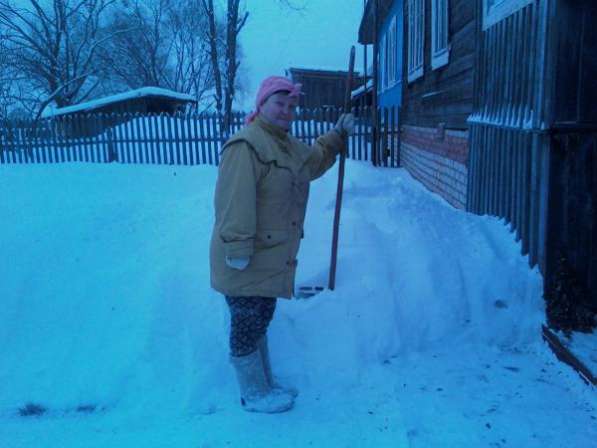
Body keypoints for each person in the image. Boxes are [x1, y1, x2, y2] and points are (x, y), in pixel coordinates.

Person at [209, 76, 354, 413]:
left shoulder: (285, 144)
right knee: (247, 322)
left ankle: (264, 384)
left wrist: (337, 136)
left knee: (260, 317)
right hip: (246, 255)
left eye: (291, 106)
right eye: (280, 104)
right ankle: (254, 394)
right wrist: (237, 249)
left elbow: (313, 161)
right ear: (261, 104)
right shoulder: (245, 145)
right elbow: (233, 202)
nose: (286, 111)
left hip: (269, 255)